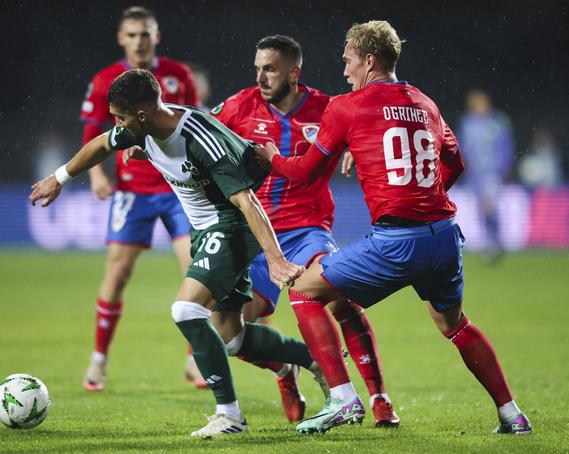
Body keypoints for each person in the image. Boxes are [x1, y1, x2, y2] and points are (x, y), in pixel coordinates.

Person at [255, 20, 532, 435]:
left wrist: (272, 157)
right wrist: (421, 192)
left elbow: (305, 171)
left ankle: (344, 400)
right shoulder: (425, 102)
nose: (344, 70)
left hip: (396, 241)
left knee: (302, 290)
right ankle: (512, 414)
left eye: (348, 60)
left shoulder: (347, 107)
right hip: (444, 237)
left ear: (369, 59)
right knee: (454, 324)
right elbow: (455, 163)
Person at [30, 68, 330, 438]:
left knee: (186, 310)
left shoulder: (199, 138)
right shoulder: (145, 126)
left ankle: (230, 415)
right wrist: (57, 179)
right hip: (205, 231)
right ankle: (314, 360)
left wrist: (275, 259)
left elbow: (247, 201)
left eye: (120, 117)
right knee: (232, 337)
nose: (116, 124)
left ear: (142, 115)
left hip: (231, 225)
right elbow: (102, 145)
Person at [212, 34, 398, 426]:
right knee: (230, 335)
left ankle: (379, 398)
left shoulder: (327, 107)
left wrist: (354, 146)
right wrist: (147, 143)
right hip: (255, 234)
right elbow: (198, 132)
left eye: (270, 69)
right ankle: (286, 370)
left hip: (306, 227)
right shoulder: (237, 106)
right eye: (258, 68)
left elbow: (366, 127)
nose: (261, 77)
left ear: (294, 73)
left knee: (339, 299)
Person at [78, 6, 200, 392]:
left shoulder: (178, 75)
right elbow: (92, 133)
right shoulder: (104, 81)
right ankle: (99, 359)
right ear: (121, 38)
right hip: (133, 191)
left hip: (179, 188)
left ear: (156, 36)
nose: (139, 41)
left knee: (196, 272)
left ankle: (196, 358)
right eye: (132, 34)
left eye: (145, 34)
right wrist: (97, 174)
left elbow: (193, 122)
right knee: (116, 274)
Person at [457, 89, 515, 262]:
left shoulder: (498, 122)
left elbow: (506, 146)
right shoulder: (467, 123)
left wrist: (503, 169)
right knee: (482, 208)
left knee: (489, 206)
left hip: (492, 172)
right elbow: (462, 147)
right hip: (476, 175)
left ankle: (494, 243)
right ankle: (492, 243)